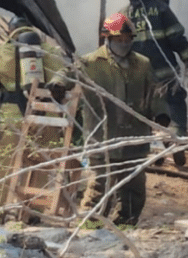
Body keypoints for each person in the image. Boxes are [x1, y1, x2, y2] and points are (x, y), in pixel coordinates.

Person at [50, 12, 164, 226]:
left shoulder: (143, 64)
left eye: (127, 40)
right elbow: (67, 73)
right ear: (107, 39)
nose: (123, 44)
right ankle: (89, 228)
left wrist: (163, 114)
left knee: (134, 188)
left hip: (135, 138)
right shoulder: (91, 63)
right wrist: (58, 85)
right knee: (97, 187)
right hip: (102, 137)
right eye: (119, 40)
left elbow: (156, 92)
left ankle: (125, 227)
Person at [0, 18, 65, 218]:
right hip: (47, 117)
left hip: (13, 117)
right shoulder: (52, 52)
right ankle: (33, 213)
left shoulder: (1, 52)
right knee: (42, 164)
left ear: (10, 31)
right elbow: (64, 79)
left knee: (4, 164)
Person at [120, 0, 188, 166]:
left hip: (137, 78)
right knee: (175, 106)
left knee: (146, 113)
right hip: (166, 74)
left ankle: (156, 153)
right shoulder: (161, 9)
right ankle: (176, 143)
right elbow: (177, 37)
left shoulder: (123, 15)